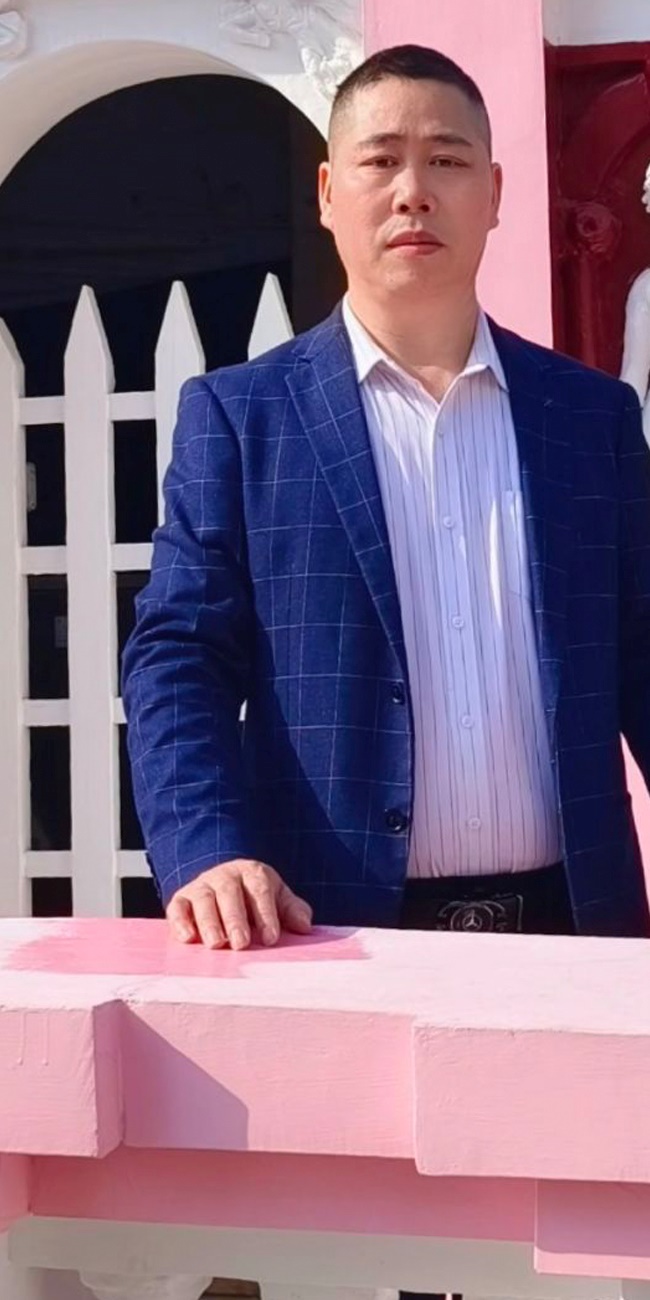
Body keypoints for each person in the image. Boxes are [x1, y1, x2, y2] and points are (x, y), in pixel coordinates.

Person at [122, 43, 650, 950]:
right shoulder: (245, 419)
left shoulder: (589, 417)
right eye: (381, 161)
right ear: (329, 193)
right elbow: (178, 657)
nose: (414, 192)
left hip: (578, 929)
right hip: (330, 931)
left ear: (494, 192)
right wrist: (208, 847)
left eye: (446, 159)